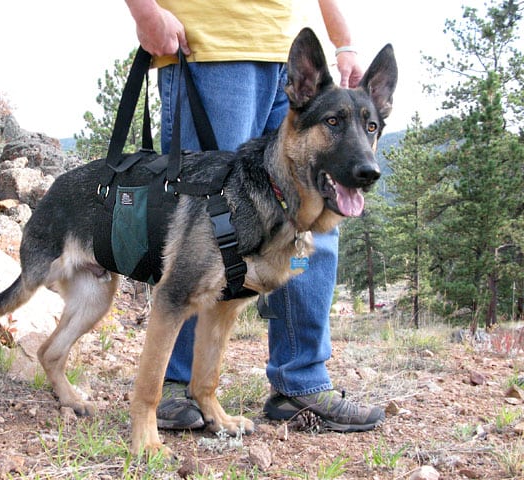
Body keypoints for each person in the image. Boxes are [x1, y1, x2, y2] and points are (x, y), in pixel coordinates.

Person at [123, 0, 385, 433]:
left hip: (290, 45)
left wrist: (344, 40)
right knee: (203, 231)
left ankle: (300, 382)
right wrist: (144, 12)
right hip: (211, 44)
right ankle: (174, 385)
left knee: (315, 215)